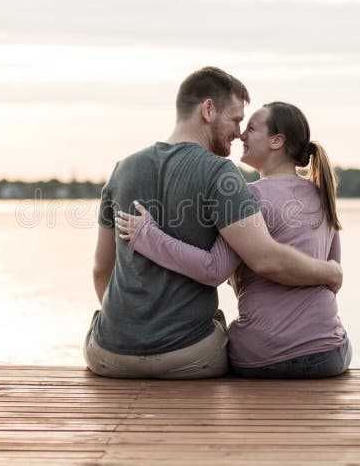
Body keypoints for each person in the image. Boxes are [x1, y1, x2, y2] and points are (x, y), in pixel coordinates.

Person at [85, 68, 343, 379]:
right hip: (190, 357)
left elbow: (101, 270)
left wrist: (132, 328)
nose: (239, 133)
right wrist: (330, 272)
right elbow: (255, 261)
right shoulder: (223, 175)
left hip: (109, 354)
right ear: (208, 110)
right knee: (220, 328)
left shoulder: (121, 170)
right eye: (236, 121)